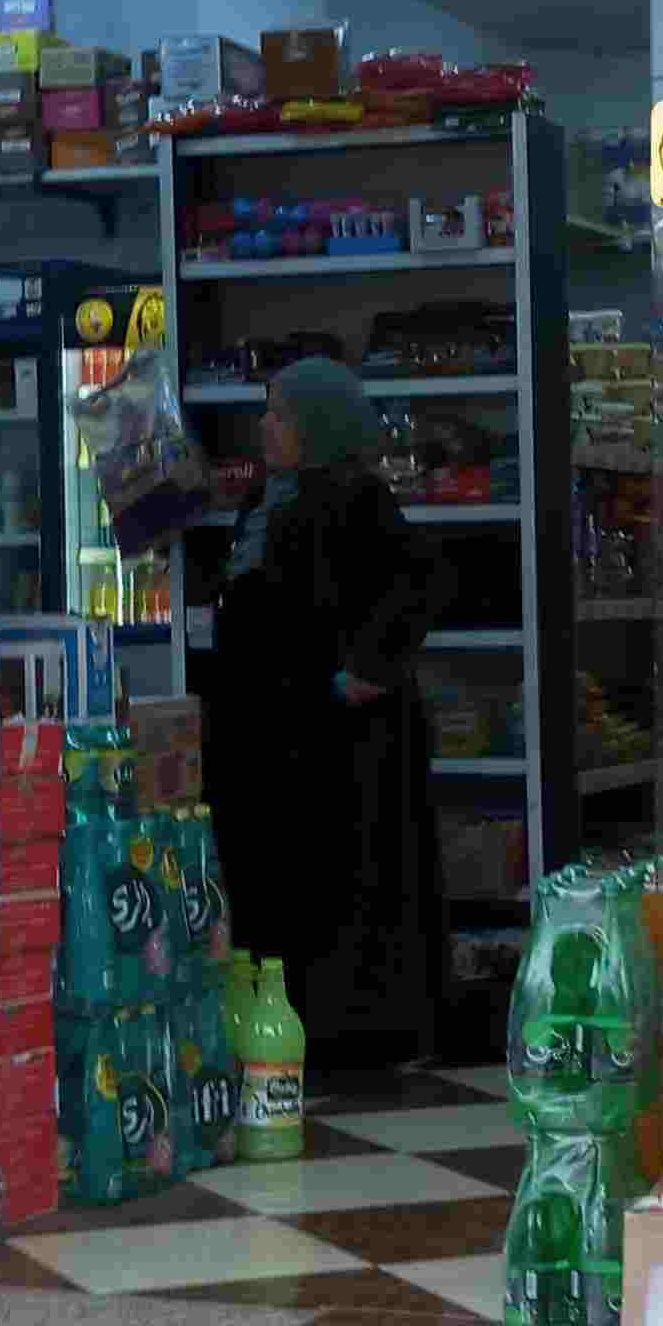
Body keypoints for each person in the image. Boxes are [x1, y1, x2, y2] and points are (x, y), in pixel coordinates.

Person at [205, 357, 448, 1068]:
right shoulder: (266, 499)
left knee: (339, 888)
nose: (265, 426)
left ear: (318, 425)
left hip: (336, 746)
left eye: (279, 415)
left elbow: (422, 582)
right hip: (270, 734)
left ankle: (349, 1037)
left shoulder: (354, 496)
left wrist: (363, 672)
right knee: (275, 884)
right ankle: (279, 1025)